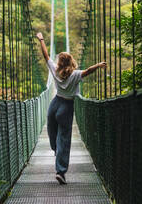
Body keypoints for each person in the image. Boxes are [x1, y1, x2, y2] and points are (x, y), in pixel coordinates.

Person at [36, 32, 107, 185]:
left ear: (60, 62)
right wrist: (98, 65)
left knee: (51, 130)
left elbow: (46, 55)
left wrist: (41, 39)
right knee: (64, 138)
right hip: (67, 106)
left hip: (54, 104)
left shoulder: (55, 70)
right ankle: (60, 171)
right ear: (71, 62)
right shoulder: (75, 74)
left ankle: (55, 149)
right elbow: (88, 70)